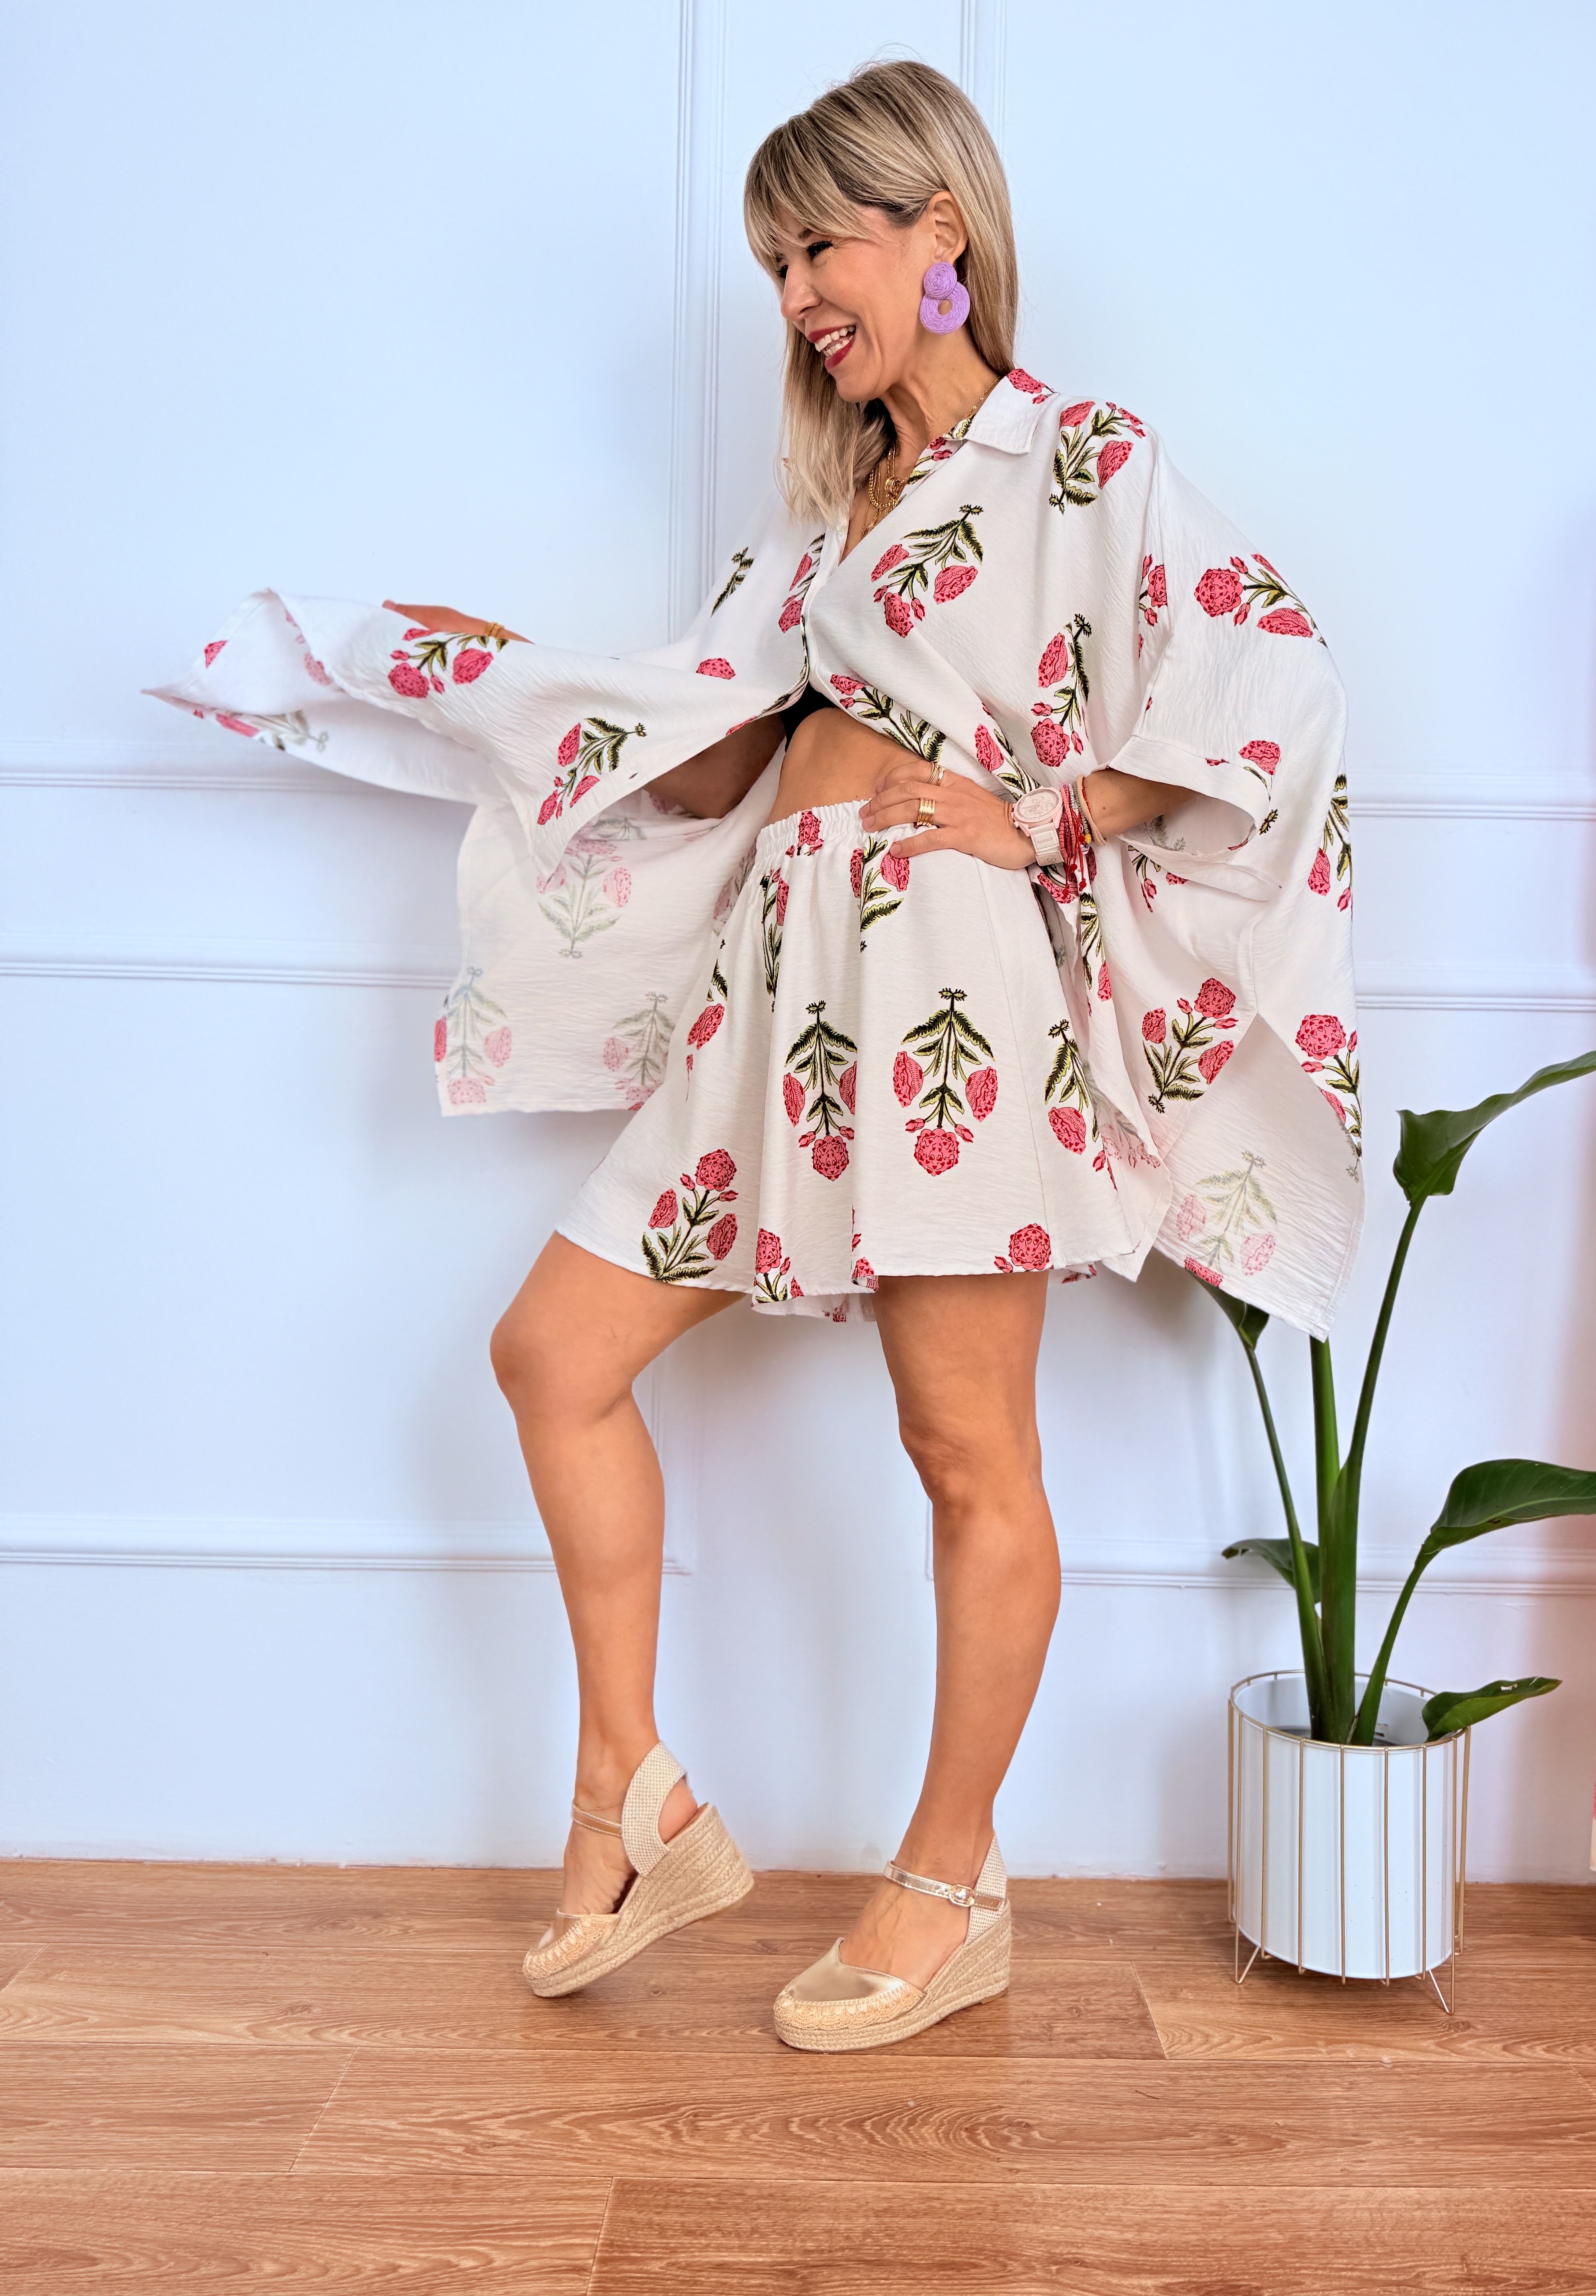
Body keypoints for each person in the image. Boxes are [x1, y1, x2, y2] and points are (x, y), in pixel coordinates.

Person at [150, 59, 1358, 2051]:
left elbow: (1274, 669)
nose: (795, 293)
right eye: (774, 262)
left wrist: (1048, 819)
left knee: (965, 1452)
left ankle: (950, 1880)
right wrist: (478, 665)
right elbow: (713, 761)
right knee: (553, 1354)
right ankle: (632, 1794)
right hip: (779, 985)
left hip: (950, 978)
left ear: (937, 233)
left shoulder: (1078, 459)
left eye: (819, 246)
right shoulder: (825, 514)